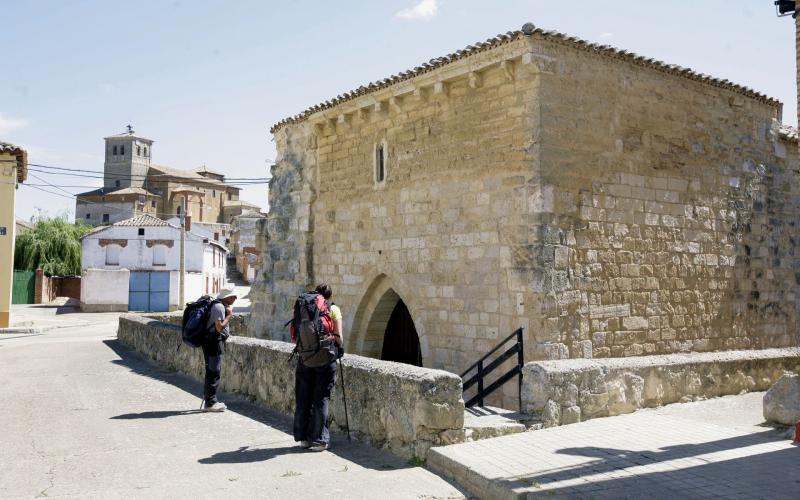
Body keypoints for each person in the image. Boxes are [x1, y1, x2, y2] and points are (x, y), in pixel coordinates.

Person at [293, 283, 343, 451]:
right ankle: (320, 440)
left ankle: (303, 438)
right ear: (328, 296)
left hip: (305, 358)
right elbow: (339, 337)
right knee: (321, 398)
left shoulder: (303, 306)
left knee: (303, 398)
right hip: (325, 358)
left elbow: (295, 335)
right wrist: (338, 348)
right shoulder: (332, 308)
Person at [201, 288, 237, 412]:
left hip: (211, 342)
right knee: (214, 372)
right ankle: (211, 403)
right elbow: (219, 327)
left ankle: (209, 401)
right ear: (226, 297)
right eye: (233, 296)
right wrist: (229, 315)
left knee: (212, 371)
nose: (235, 299)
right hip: (213, 343)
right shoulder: (219, 308)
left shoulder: (218, 306)